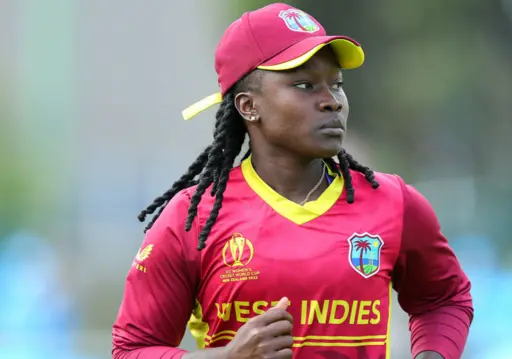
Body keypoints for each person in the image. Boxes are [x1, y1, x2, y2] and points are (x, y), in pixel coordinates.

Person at [112, 3, 473, 359]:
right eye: (304, 85)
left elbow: (444, 299)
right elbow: (130, 350)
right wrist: (228, 357)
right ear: (248, 105)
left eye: (337, 84)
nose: (332, 101)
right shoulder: (191, 219)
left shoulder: (393, 202)